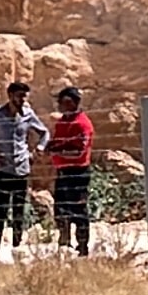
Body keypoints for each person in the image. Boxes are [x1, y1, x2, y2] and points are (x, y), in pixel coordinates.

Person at [0, 81, 44, 259]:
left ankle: (16, 248)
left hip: (22, 168)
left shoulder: (28, 114)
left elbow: (44, 132)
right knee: (1, 210)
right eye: (19, 96)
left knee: (19, 210)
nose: (22, 100)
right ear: (10, 95)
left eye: (24, 96)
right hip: (3, 169)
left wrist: (39, 148)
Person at [46, 84, 96, 256]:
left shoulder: (83, 124)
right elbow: (58, 142)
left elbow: (78, 152)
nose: (60, 104)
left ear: (73, 103)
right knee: (61, 209)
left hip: (78, 172)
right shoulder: (62, 122)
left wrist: (56, 151)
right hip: (62, 171)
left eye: (63, 101)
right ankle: (64, 243)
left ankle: (82, 247)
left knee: (79, 209)